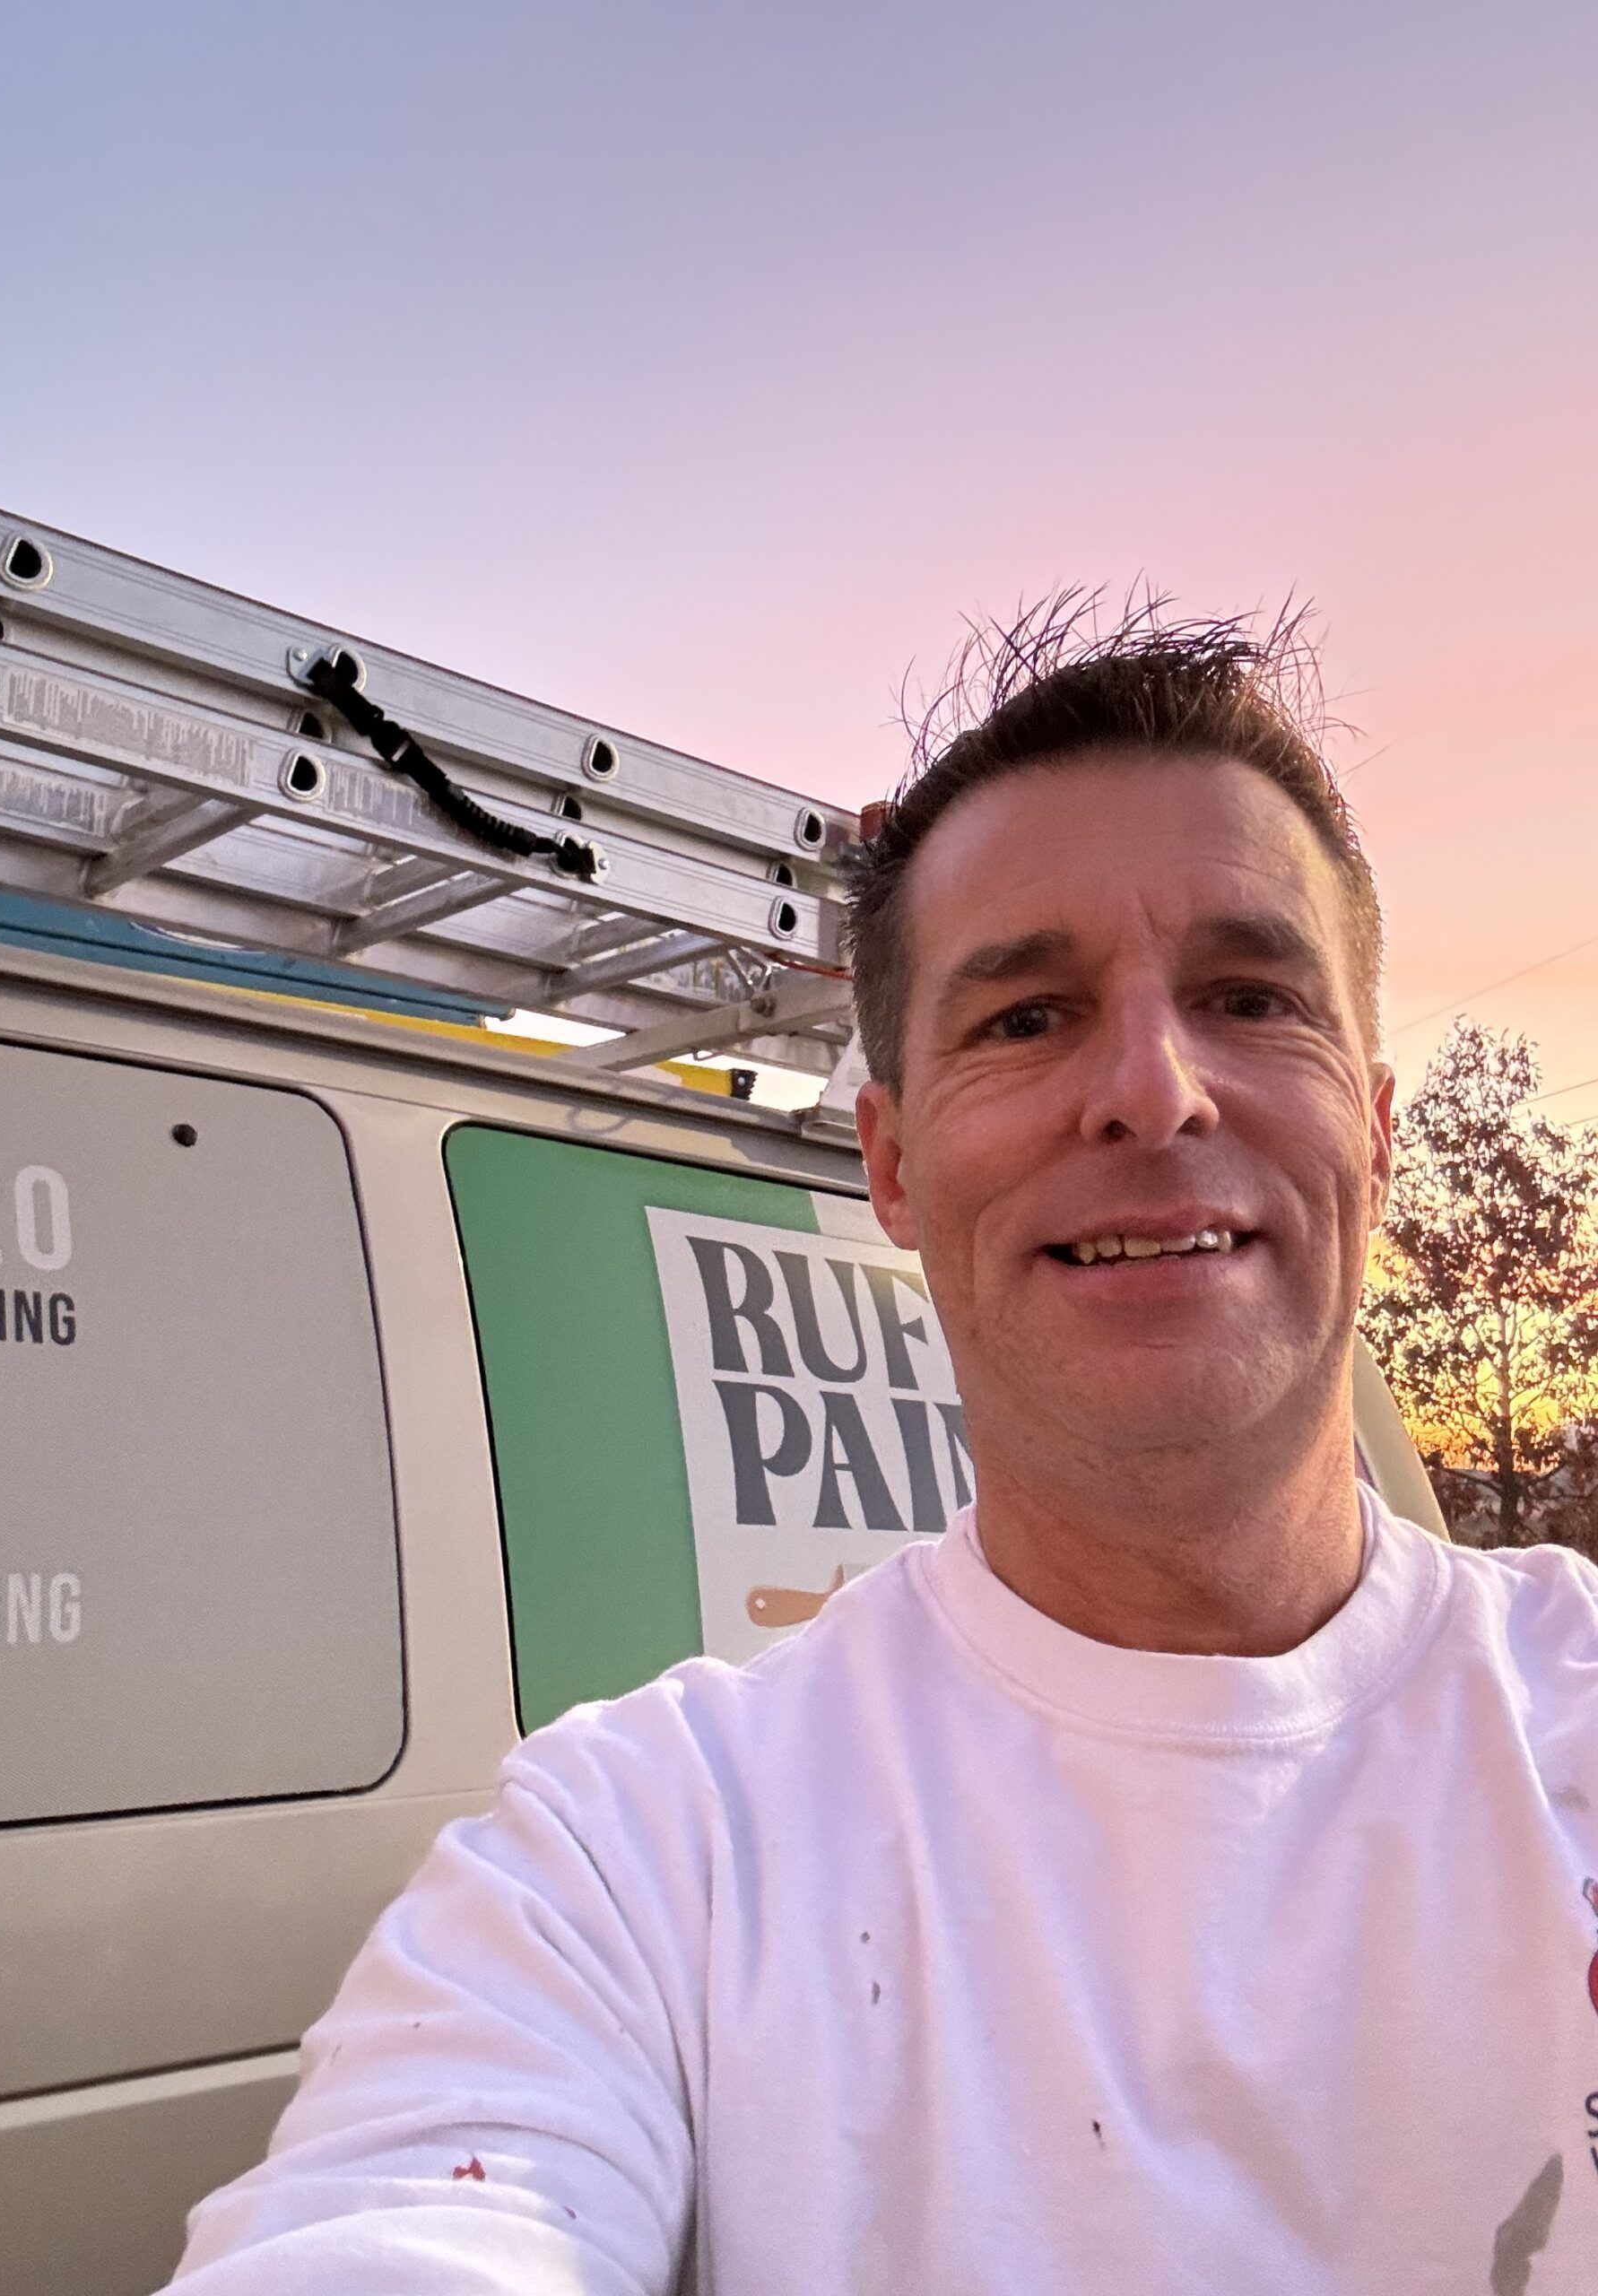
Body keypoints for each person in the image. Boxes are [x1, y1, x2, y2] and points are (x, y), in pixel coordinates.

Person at [168, 598, 1598, 2293]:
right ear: (894, 1167)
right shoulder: (643, 1853)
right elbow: (410, 2226)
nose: (1152, 1089)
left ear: (1371, 1124)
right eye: (1025, 1017)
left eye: (1246, 993)